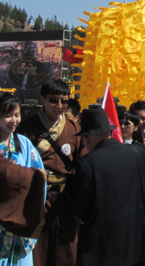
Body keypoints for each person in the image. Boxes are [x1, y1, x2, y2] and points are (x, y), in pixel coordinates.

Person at [69, 108, 145, 266]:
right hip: (134, 241)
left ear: (87, 137)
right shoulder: (136, 153)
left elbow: (79, 209)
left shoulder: (87, 163)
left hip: (101, 247)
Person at [17, 79, 86, 266]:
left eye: (64, 101)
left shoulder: (74, 128)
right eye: (53, 100)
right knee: (38, 249)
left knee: (66, 251)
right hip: (37, 197)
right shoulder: (27, 127)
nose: (59, 106)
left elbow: (83, 163)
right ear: (42, 100)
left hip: (64, 199)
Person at [0, 93, 46, 266]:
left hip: (19, 218)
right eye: (8, 115)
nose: (13, 120)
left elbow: (39, 178)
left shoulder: (24, 144)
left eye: (17, 115)